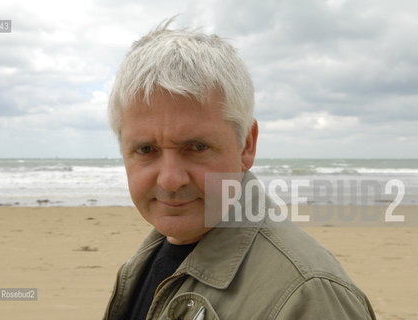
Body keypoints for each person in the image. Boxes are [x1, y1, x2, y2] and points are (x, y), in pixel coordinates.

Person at [103, 19, 376, 320]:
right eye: (146, 150)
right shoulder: (147, 260)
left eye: (196, 147)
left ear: (246, 145)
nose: (170, 180)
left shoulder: (308, 295)